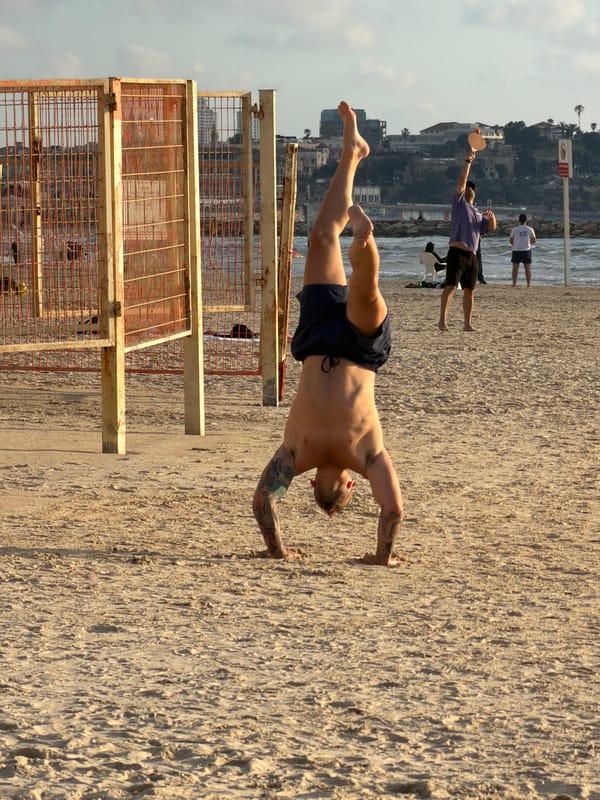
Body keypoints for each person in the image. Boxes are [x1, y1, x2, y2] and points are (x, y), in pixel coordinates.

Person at [252, 101, 403, 567]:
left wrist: (279, 551)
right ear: (346, 486)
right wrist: (381, 558)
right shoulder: (362, 455)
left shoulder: (303, 453)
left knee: (320, 237)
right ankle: (364, 240)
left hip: (319, 343)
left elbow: (262, 502)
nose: (335, 489)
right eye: (339, 496)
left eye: (325, 492)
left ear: (314, 482)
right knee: (365, 287)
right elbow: (393, 510)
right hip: (356, 350)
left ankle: (352, 154)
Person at [438, 149, 496, 331]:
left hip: (472, 256)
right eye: (467, 187)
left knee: (470, 290)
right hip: (456, 252)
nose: (469, 188)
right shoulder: (460, 204)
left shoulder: (478, 214)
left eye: (472, 187)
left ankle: (467, 324)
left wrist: (492, 217)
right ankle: (442, 321)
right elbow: (461, 183)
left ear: (475, 194)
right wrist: (468, 161)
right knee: (450, 287)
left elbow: (490, 228)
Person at [510, 213, 536, 287]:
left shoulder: (514, 229)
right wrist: (528, 243)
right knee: (527, 268)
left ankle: (514, 284)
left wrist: (515, 244)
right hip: (526, 250)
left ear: (519, 220)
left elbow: (511, 240)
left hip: (516, 250)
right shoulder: (530, 229)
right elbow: (534, 240)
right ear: (526, 220)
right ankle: (528, 285)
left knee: (515, 268)